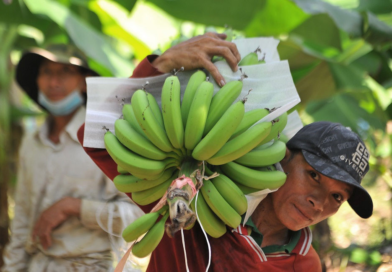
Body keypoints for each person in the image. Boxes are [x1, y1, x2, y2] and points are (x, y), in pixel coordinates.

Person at [77, 33, 373, 271]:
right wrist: (162, 64)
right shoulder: (196, 197)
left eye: (338, 197)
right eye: (313, 176)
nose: (318, 203)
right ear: (283, 157)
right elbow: (94, 137)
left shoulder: (305, 265)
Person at [2, 44, 144, 272]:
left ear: (84, 81)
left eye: (65, 72)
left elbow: (137, 215)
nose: (54, 82)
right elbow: (22, 224)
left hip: (95, 265)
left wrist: (75, 207)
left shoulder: (106, 137)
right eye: (47, 72)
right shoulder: (32, 142)